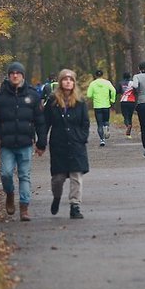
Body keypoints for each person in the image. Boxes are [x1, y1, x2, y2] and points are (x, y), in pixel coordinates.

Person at [0, 61, 47, 222]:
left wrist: (41, 143)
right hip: (6, 144)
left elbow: (40, 121)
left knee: (24, 176)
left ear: (23, 76)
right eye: (12, 73)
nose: (15, 75)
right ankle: (10, 194)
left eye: (18, 73)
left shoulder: (32, 95)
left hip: (25, 143)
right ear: (8, 76)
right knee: (5, 174)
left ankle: (24, 208)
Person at [41, 69, 89, 220]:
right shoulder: (53, 101)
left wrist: (81, 137)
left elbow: (85, 123)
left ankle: (75, 205)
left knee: (76, 175)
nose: (68, 81)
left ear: (74, 83)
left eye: (71, 79)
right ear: (60, 82)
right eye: (65, 79)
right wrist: (42, 141)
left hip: (76, 144)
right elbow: (45, 123)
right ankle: (56, 197)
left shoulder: (80, 102)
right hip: (59, 143)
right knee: (58, 178)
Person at [87, 69, 116, 146]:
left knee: (99, 124)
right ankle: (106, 127)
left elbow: (89, 95)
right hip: (106, 105)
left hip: (97, 106)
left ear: (96, 75)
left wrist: (94, 96)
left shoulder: (93, 84)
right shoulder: (107, 83)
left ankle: (102, 140)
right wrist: (112, 99)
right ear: (102, 75)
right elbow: (113, 90)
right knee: (106, 121)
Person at [118, 72, 137, 138]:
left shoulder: (121, 83)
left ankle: (128, 125)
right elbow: (136, 91)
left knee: (125, 116)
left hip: (123, 101)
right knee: (130, 116)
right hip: (132, 101)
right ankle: (129, 133)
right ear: (129, 76)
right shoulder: (133, 83)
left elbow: (118, 91)